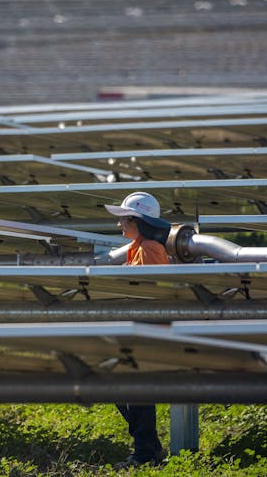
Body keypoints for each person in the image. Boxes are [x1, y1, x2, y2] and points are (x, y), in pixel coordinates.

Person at [104, 191, 171, 468]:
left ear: (136, 221)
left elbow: (149, 294)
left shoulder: (149, 250)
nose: (119, 224)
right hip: (140, 330)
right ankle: (149, 447)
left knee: (134, 392)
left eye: (123, 220)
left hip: (147, 331)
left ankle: (145, 452)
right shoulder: (139, 247)